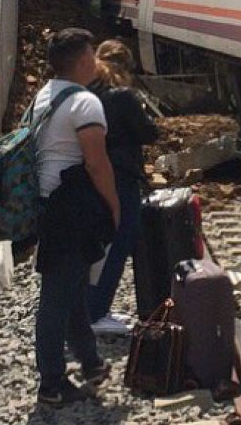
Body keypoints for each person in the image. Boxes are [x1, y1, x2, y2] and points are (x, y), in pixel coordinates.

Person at [32, 28, 120, 407]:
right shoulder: (85, 103)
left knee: (72, 289)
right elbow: (96, 163)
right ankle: (51, 382)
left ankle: (90, 363)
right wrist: (114, 206)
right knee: (56, 297)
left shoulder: (45, 95)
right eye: (92, 55)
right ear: (84, 59)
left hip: (48, 203)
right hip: (72, 208)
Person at [86, 39, 159, 335]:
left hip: (89, 175)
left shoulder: (88, 92)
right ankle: (97, 312)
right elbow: (147, 132)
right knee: (118, 242)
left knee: (95, 245)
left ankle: (87, 307)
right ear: (126, 67)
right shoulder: (124, 97)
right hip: (121, 177)